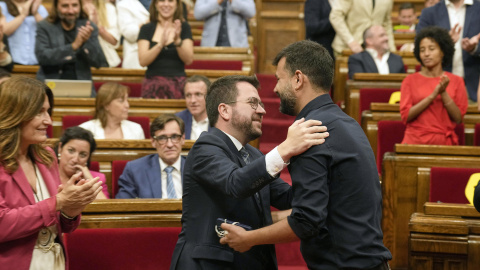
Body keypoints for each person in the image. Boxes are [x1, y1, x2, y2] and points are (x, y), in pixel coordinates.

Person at [219, 40, 392, 269]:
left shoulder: (310, 132)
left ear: (298, 79)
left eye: (280, 78)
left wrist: (248, 239)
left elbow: (306, 221)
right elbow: (315, 200)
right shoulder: (347, 122)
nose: (275, 88)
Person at [170, 74, 329, 269]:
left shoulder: (252, 154)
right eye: (253, 103)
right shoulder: (205, 146)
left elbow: (289, 197)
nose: (262, 110)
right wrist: (285, 148)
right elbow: (235, 183)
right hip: (210, 263)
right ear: (224, 110)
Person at [0, 76, 102, 269]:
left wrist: (71, 210)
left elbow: (60, 225)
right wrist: (59, 202)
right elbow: (2, 225)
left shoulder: (46, 157)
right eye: (39, 112)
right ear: (15, 112)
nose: (49, 120)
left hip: (54, 262)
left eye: (48, 111)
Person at [400, 26, 468, 145]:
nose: (426, 54)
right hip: (414, 142)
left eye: (431, 49)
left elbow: (458, 118)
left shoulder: (456, 81)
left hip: (444, 143)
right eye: (422, 50)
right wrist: (432, 95)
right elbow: (406, 116)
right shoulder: (409, 80)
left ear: (442, 51)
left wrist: (443, 92)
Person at [34, 0, 107, 97]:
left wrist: (85, 43)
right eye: (65, 6)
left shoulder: (88, 26)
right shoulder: (45, 26)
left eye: (75, 5)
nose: (71, 11)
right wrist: (73, 47)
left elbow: (99, 62)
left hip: (81, 85)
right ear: (56, 7)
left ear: (80, 6)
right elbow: (42, 57)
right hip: (51, 84)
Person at [416, 0, 480, 102]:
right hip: (438, 86)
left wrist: (474, 48)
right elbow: (419, 45)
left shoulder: (478, 9)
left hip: (474, 87)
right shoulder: (429, 13)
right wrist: (444, 42)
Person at [116, 114, 186, 199]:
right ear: (153, 141)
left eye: (175, 137)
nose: (169, 144)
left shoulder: (197, 168)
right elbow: (123, 207)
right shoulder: (135, 170)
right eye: (162, 138)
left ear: (183, 139)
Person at [138, 0, 193, 99]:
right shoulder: (146, 28)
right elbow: (142, 61)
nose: (166, 4)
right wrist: (160, 44)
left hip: (178, 84)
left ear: (177, 5)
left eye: (171, 1)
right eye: (162, 1)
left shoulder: (184, 27)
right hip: (152, 84)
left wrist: (177, 41)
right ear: (155, 4)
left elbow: (188, 60)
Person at [56, 126, 109, 199]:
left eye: (83, 155)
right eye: (71, 151)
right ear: (60, 148)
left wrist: (90, 180)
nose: (75, 159)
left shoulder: (98, 179)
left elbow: (105, 208)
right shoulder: (46, 173)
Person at [79, 82, 145, 139]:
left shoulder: (136, 129)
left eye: (127, 100)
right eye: (121, 101)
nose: (127, 105)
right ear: (106, 105)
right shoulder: (86, 130)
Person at [329, 0, 396, 55]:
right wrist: (350, 41)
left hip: (377, 50)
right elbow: (335, 17)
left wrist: (391, 48)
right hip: (347, 48)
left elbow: (386, 24)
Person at [0, 0, 48, 65]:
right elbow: (3, 32)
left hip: (37, 61)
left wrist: (35, 13)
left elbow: (48, 32)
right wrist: (23, 15)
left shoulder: (39, 8)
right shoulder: (2, 6)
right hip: (12, 62)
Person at [83, 0, 121, 67]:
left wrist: (96, 26)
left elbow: (114, 41)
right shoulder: (72, 9)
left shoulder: (108, 8)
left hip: (106, 60)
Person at [175, 75, 211, 140]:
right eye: (188, 95)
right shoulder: (176, 121)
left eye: (198, 94)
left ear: (209, 96)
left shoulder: (220, 121)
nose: (192, 100)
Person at [117, 0, 149, 69]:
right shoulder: (124, 4)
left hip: (160, 60)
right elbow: (130, 34)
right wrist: (148, 23)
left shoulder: (163, 3)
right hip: (135, 60)